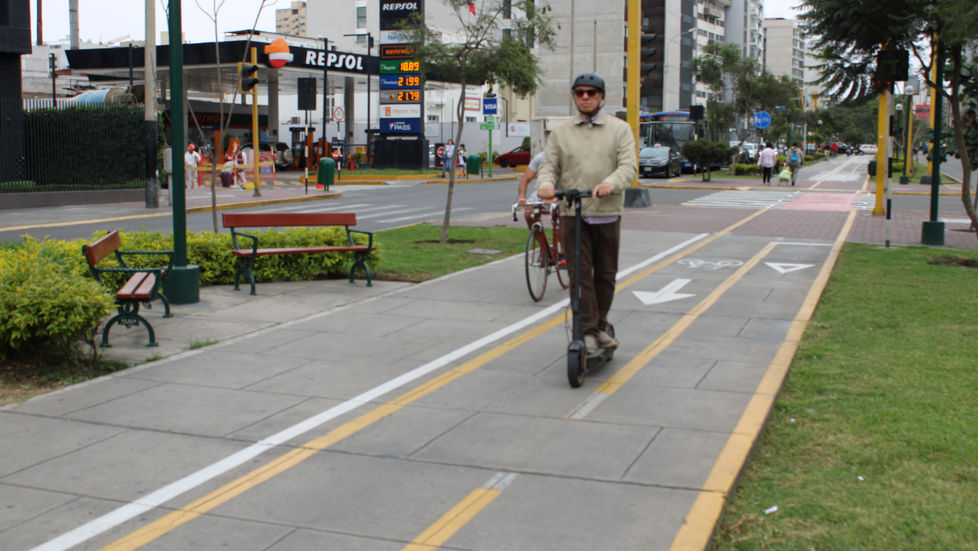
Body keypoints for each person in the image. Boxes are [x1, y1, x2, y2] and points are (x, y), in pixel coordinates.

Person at [536, 72, 638, 353]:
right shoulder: (561, 132)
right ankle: (589, 331)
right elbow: (549, 166)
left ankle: (601, 324)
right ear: (574, 96)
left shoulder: (619, 129)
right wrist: (545, 185)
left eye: (591, 92)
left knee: (605, 274)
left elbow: (629, 166)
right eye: (580, 92)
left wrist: (611, 183)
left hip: (607, 211)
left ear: (601, 97)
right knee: (579, 274)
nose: (585, 97)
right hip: (573, 212)